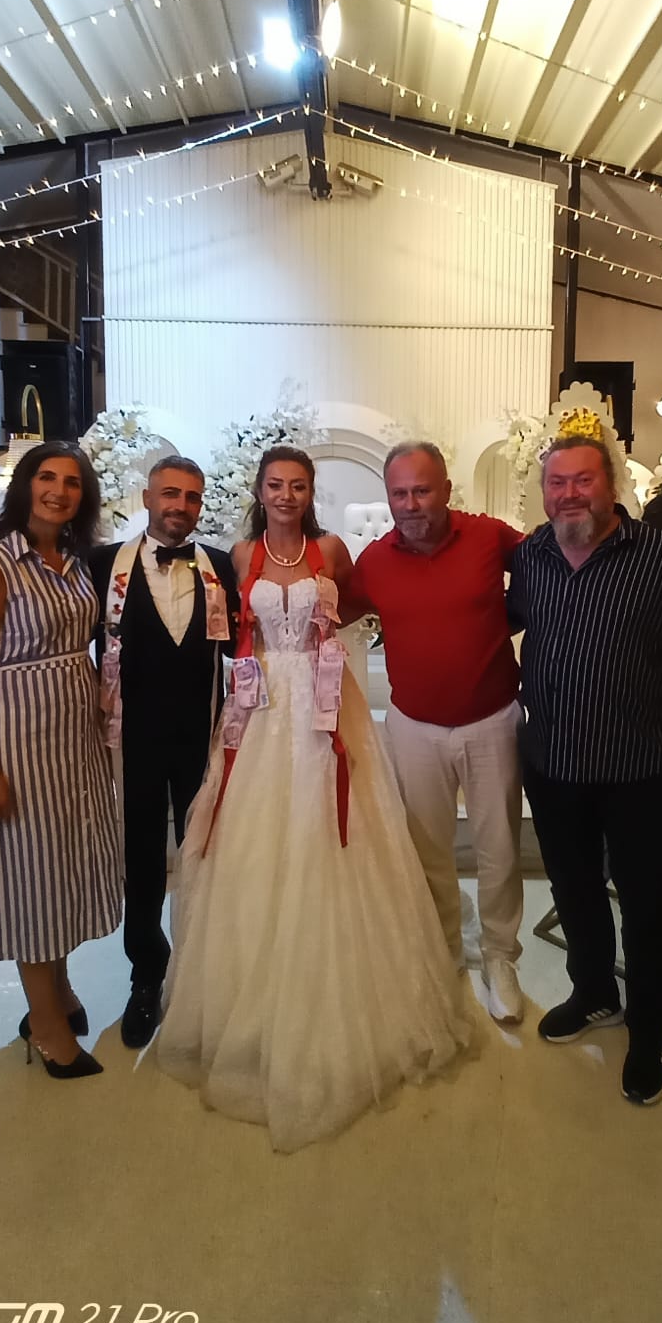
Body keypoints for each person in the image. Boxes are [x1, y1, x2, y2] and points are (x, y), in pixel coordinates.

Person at [155, 446, 466, 1152]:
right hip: (264, 706)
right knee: (260, 841)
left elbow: (360, 603)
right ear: (260, 491)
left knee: (338, 832)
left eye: (298, 485)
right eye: (276, 485)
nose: (287, 495)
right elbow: (234, 630)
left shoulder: (333, 550)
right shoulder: (241, 554)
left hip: (328, 702)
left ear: (310, 491)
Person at [508, 436, 662, 1106]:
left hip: (639, 765)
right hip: (554, 761)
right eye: (556, 483)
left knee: (646, 905)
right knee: (575, 888)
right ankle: (593, 993)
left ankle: (648, 1032)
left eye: (582, 481)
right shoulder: (530, 555)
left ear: (611, 485)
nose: (569, 495)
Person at [0, 441, 121, 1080]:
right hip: (20, 742)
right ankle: (46, 1025)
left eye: (72, 482)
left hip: (72, 741)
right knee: (31, 876)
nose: (59, 490)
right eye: (47, 478)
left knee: (61, 867)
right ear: (25, 486)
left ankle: (59, 989)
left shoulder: (74, 563)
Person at [346, 443, 526, 1023]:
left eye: (422, 490)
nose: (411, 504)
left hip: (492, 720)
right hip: (414, 727)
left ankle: (500, 956)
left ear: (446, 489)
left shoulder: (488, 537)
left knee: (500, 848)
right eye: (399, 493)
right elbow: (332, 612)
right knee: (428, 850)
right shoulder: (374, 561)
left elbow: (550, 572)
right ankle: (443, 945)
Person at [90, 455, 238, 1049]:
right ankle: (147, 974)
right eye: (170, 493)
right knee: (144, 858)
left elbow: (243, 648)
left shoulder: (221, 566)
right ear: (147, 498)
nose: (181, 505)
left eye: (192, 497)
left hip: (203, 732)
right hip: (135, 739)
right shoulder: (105, 565)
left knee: (205, 851)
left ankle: (205, 972)